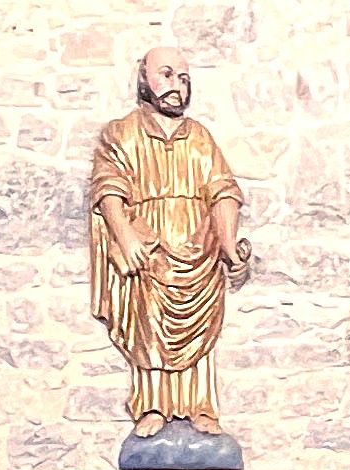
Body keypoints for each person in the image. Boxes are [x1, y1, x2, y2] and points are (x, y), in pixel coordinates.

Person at [85, 46, 250, 440]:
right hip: (150, 248)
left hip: (199, 248)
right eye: (167, 74)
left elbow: (223, 191)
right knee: (149, 327)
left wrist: (228, 244)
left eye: (184, 79)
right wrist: (124, 235)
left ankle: (201, 406)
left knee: (201, 330)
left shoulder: (200, 138)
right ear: (144, 79)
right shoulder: (121, 132)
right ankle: (152, 405)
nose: (177, 86)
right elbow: (108, 188)